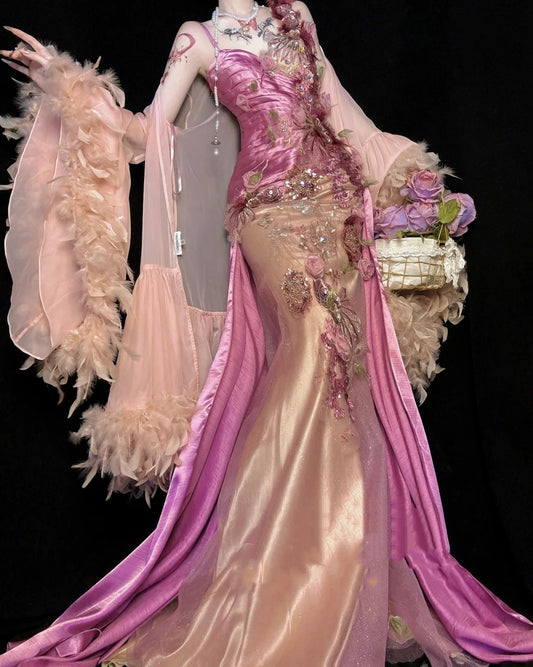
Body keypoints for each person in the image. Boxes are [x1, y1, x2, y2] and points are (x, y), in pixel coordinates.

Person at [0, 1, 532, 665]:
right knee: (311, 357)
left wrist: (406, 178)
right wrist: (73, 91)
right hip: (268, 216)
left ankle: (338, 571)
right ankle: (279, 576)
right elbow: (147, 133)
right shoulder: (198, 38)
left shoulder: (295, 17)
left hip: (338, 212)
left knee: (350, 377)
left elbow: (340, 113)